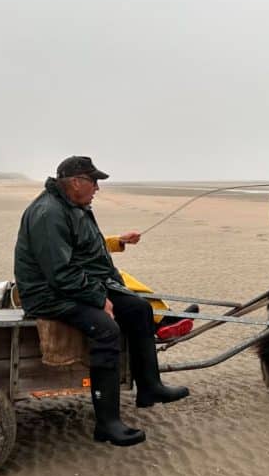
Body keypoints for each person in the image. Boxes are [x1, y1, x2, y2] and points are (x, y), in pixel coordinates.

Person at [14, 155, 189, 447]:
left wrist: (112, 284)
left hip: (73, 285)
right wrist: (98, 298)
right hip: (47, 295)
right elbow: (59, 273)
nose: (98, 187)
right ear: (76, 182)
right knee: (106, 329)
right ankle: (107, 423)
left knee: (139, 309)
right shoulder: (48, 213)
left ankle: (150, 387)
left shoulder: (74, 205)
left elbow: (85, 251)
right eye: (94, 181)